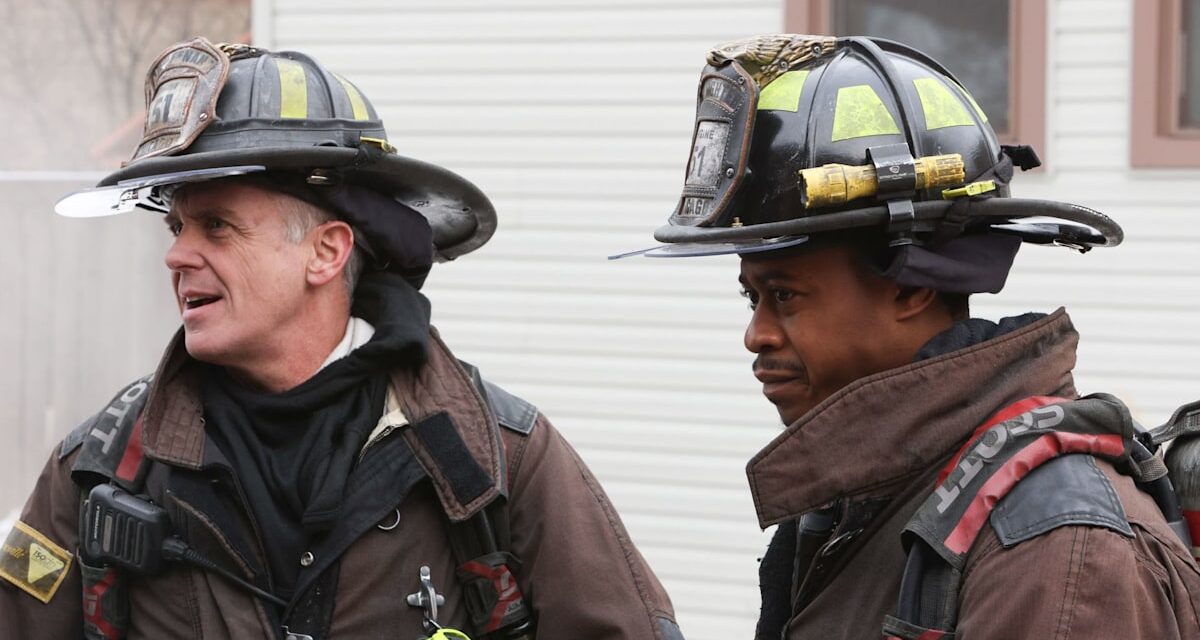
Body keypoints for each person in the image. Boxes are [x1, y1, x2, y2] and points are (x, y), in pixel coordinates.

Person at [0, 38, 683, 640]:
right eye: (176, 227)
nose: (176, 255)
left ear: (325, 252)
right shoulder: (98, 469)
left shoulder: (495, 461)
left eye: (217, 227)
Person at [616, 34, 1200, 638]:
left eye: (785, 296)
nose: (756, 335)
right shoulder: (863, 494)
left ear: (912, 285)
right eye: (752, 298)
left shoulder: (1057, 549)